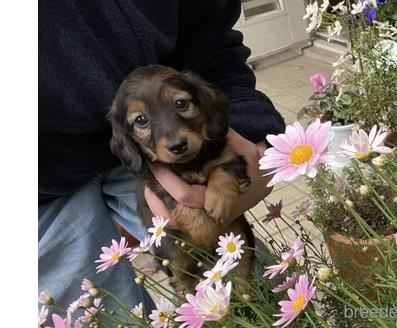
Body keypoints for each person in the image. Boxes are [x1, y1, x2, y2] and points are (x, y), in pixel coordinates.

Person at [39, 0, 285, 315]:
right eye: (141, 120)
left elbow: (209, 41)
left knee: (258, 298)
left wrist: (250, 135)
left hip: (147, 156)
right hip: (37, 190)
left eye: (181, 104)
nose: (175, 137)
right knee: (94, 313)